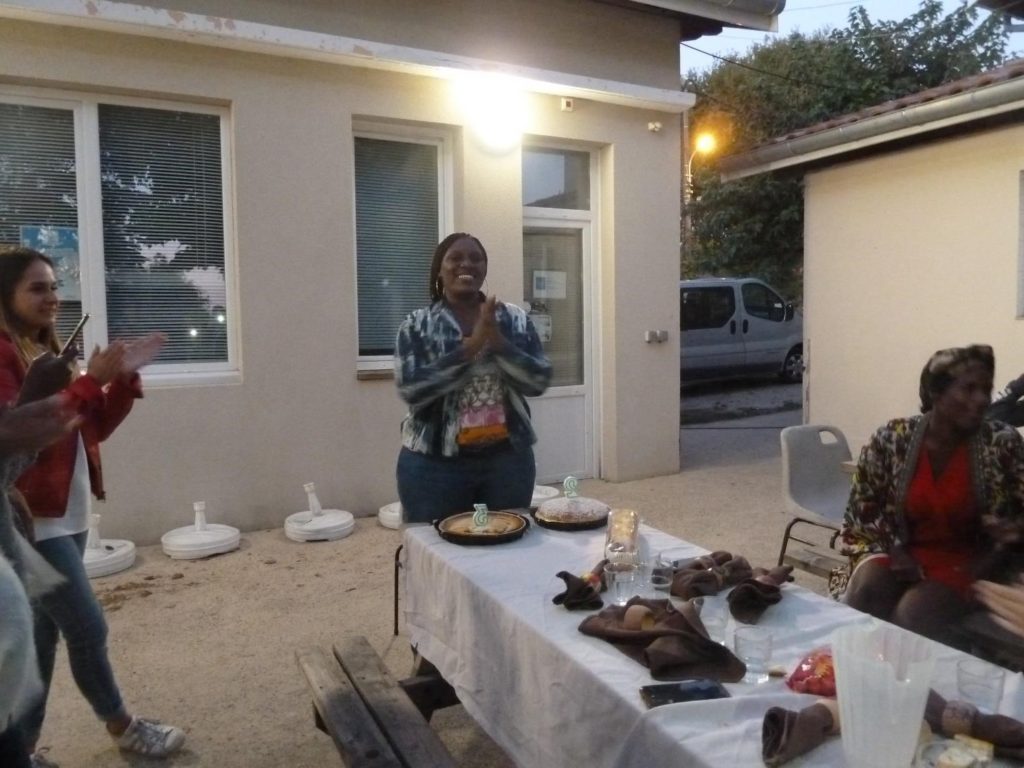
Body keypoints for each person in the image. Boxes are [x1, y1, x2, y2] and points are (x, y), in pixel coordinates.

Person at [0, 246, 182, 766]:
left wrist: (120, 378)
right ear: (5, 296)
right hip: (34, 519)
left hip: (69, 510)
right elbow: (18, 433)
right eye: (38, 288)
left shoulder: (45, 351)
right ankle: (124, 727)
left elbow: (92, 427)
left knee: (41, 635)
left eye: (54, 287)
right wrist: (89, 381)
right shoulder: (5, 355)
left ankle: (21, 749)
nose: (52, 298)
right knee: (86, 626)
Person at [837, 344, 1024, 647]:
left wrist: (1009, 534)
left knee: (912, 616)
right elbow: (862, 510)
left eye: (985, 390)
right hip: (902, 549)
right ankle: (847, 668)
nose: (981, 399)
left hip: (970, 561)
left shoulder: (1001, 443)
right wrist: (895, 550)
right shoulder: (892, 439)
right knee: (866, 593)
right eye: (969, 389)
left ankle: (900, 676)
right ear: (936, 392)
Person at [394, 233, 552, 523]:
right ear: (439, 270)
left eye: (475, 258)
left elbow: (538, 381)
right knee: (433, 544)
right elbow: (413, 389)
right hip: (433, 465)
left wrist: (499, 344)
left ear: (484, 268)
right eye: (455, 258)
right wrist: (471, 348)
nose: (466, 264)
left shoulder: (514, 319)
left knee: (506, 542)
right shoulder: (416, 325)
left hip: (507, 463)